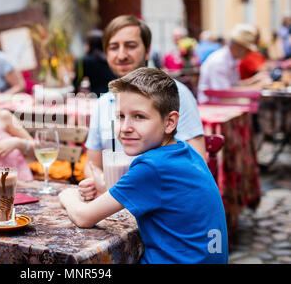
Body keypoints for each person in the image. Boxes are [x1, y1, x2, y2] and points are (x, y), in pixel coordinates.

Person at [59, 68, 228, 264]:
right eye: (121, 116)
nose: (125, 127)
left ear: (169, 122)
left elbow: (83, 217)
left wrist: (67, 195)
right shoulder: (185, 152)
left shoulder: (153, 167)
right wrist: (107, 190)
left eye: (139, 116)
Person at [83, 15, 206, 185]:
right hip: (114, 202)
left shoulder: (174, 93)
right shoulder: (103, 103)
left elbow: (198, 164)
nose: (121, 55)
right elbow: (91, 165)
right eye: (113, 47)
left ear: (147, 51)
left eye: (130, 46)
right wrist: (99, 182)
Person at [197, 24, 272, 104]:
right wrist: (256, 87)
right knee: (252, 104)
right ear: (237, 46)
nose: (248, 53)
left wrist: (254, 80)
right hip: (212, 106)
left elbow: (234, 85)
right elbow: (225, 92)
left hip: (222, 102)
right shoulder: (219, 62)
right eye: (247, 50)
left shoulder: (232, 59)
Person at [73, 29, 117, 95]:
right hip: (114, 94)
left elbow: (77, 81)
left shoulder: (83, 61)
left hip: (97, 96)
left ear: (89, 45)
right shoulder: (111, 58)